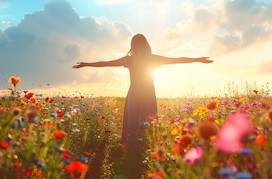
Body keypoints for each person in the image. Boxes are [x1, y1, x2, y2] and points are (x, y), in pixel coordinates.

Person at [72, 34, 212, 178]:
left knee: (132, 120)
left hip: (134, 94)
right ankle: (146, 150)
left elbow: (105, 63)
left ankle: (130, 152)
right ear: (146, 44)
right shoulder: (152, 58)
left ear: (133, 46)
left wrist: (86, 64)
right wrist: (198, 59)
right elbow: (177, 60)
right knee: (148, 121)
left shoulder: (129, 59)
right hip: (148, 94)